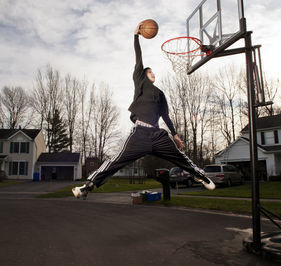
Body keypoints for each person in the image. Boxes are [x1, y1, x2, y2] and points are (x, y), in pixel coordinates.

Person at [72, 22, 215, 199]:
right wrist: (136, 36)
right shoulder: (141, 81)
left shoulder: (160, 94)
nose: (152, 73)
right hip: (140, 134)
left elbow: (165, 115)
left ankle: (201, 176)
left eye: (153, 72)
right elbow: (138, 57)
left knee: (180, 157)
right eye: (150, 72)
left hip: (158, 135)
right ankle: (88, 186)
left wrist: (175, 135)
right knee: (116, 160)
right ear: (143, 75)